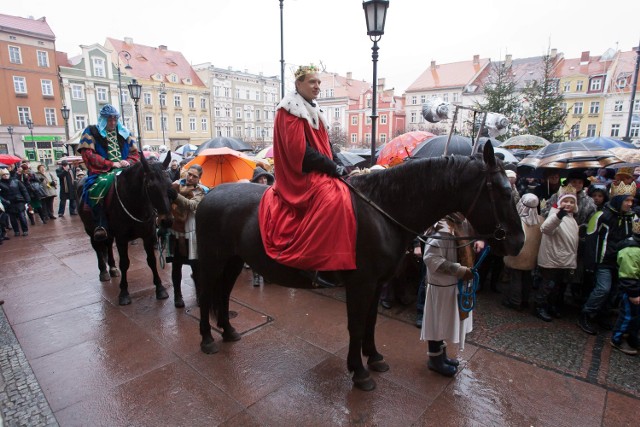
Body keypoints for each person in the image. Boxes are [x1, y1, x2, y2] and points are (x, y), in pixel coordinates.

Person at [258, 64, 355, 277]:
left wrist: (343, 167)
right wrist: (333, 167)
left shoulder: (313, 108)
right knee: (332, 199)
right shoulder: (289, 109)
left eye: (319, 82)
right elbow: (301, 153)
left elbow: (327, 147)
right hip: (301, 174)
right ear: (298, 83)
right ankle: (315, 262)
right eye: (312, 81)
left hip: (318, 168)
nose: (317, 86)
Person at [420, 213, 484, 377]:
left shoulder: (459, 222)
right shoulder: (443, 229)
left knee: (443, 323)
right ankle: (435, 360)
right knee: (437, 323)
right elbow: (430, 258)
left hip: (452, 285)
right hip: (442, 286)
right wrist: (459, 270)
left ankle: (441, 356)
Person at [579, 180, 639, 335]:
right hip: (603, 260)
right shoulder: (601, 216)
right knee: (603, 289)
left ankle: (602, 316)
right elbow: (591, 239)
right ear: (618, 200)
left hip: (620, 262)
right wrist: (590, 263)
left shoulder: (632, 218)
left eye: (631, 200)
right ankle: (586, 314)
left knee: (613, 291)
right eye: (627, 200)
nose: (630, 204)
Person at [77, 104, 139, 241]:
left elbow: (135, 154)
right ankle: (100, 224)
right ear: (103, 119)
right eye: (109, 120)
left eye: (115, 119)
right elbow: (88, 155)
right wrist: (111, 164)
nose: (112, 123)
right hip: (102, 172)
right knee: (98, 188)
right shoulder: (91, 132)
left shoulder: (125, 132)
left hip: (125, 170)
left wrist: (128, 161)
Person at [534, 185, 579, 321]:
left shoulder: (571, 218)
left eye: (572, 202)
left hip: (563, 259)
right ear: (559, 201)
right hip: (552, 259)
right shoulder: (555, 215)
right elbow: (546, 228)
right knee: (548, 285)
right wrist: (559, 216)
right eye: (566, 201)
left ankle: (550, 306)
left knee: (557, 287)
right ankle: (539, 306)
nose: (569, 204)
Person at [166, 164, 207, 308]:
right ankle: (177, 295)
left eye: (194, 176)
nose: (190, 177)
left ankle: (199, 294)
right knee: (176, 266)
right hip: (175, 231)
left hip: (192, 232)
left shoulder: (201, 191)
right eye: (189, 174)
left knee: (196, 267)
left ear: (199, 178)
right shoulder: (175, 184)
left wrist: (176, 196)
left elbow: (191, 205)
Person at [502, 194, 543, 311]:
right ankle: (525, 299)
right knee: (527, 278)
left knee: (516, 278)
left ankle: (515, 301)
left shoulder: (515, 220)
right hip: (532, 255)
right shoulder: (540, 220)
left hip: (517, 253)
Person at [610, 221, 640, 355]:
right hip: (632, 290)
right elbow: (628, 275)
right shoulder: (632, 249)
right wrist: (633, 293)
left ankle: (633, 338)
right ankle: (617, 339)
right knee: (627, 315)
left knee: (636, 317)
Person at [0, 167, 30, 236]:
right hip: (9, 203)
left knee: (22, 216)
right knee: (12, 218)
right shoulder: (1, 184)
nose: (6, 175)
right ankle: (16, 231)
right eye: (4, 175)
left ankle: (25, 230)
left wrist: (27, 200)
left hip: (19, 201)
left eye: (7, 174)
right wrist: (5, 201)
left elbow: (24, 190)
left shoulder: (16, 181)